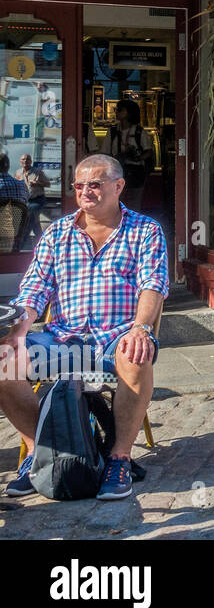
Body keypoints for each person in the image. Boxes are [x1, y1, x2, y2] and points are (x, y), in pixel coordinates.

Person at [0, 154, 168, 501]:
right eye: (79, 185)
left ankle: (119, 457)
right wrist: (18, 331)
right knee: (4, 360)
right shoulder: (58, 233)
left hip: (115, 337)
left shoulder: (145, 231)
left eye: (95, 184)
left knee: (137, 353)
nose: (86, 191)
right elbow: (35, 288)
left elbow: (152, 285)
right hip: (62, 337)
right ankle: (40, 454)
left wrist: (140, 327)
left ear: (118, 186)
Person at [105, 100, 153, 211]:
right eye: (116, 109)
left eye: (120, 110)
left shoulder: (139, 132)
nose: (116, 112)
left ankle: (131, 225)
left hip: (135, 172)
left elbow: (149, 151)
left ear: (130, 113)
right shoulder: (112, 131)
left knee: (134, 202)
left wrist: (138, 158)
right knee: (117, 202)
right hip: (117, 171)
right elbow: (105, 153)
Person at [16, 153, 47, 249]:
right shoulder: (18, 173)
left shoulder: (38, 172)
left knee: (29, 217)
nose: (25, 161)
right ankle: (42, 243)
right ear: (20, 162)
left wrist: (38, 183)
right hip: (26, 200)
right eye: (23, 159)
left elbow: (47, 183)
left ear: (31, 161)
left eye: (28, 159)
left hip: (37, 200)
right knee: (35, 223)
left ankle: (21, 243)